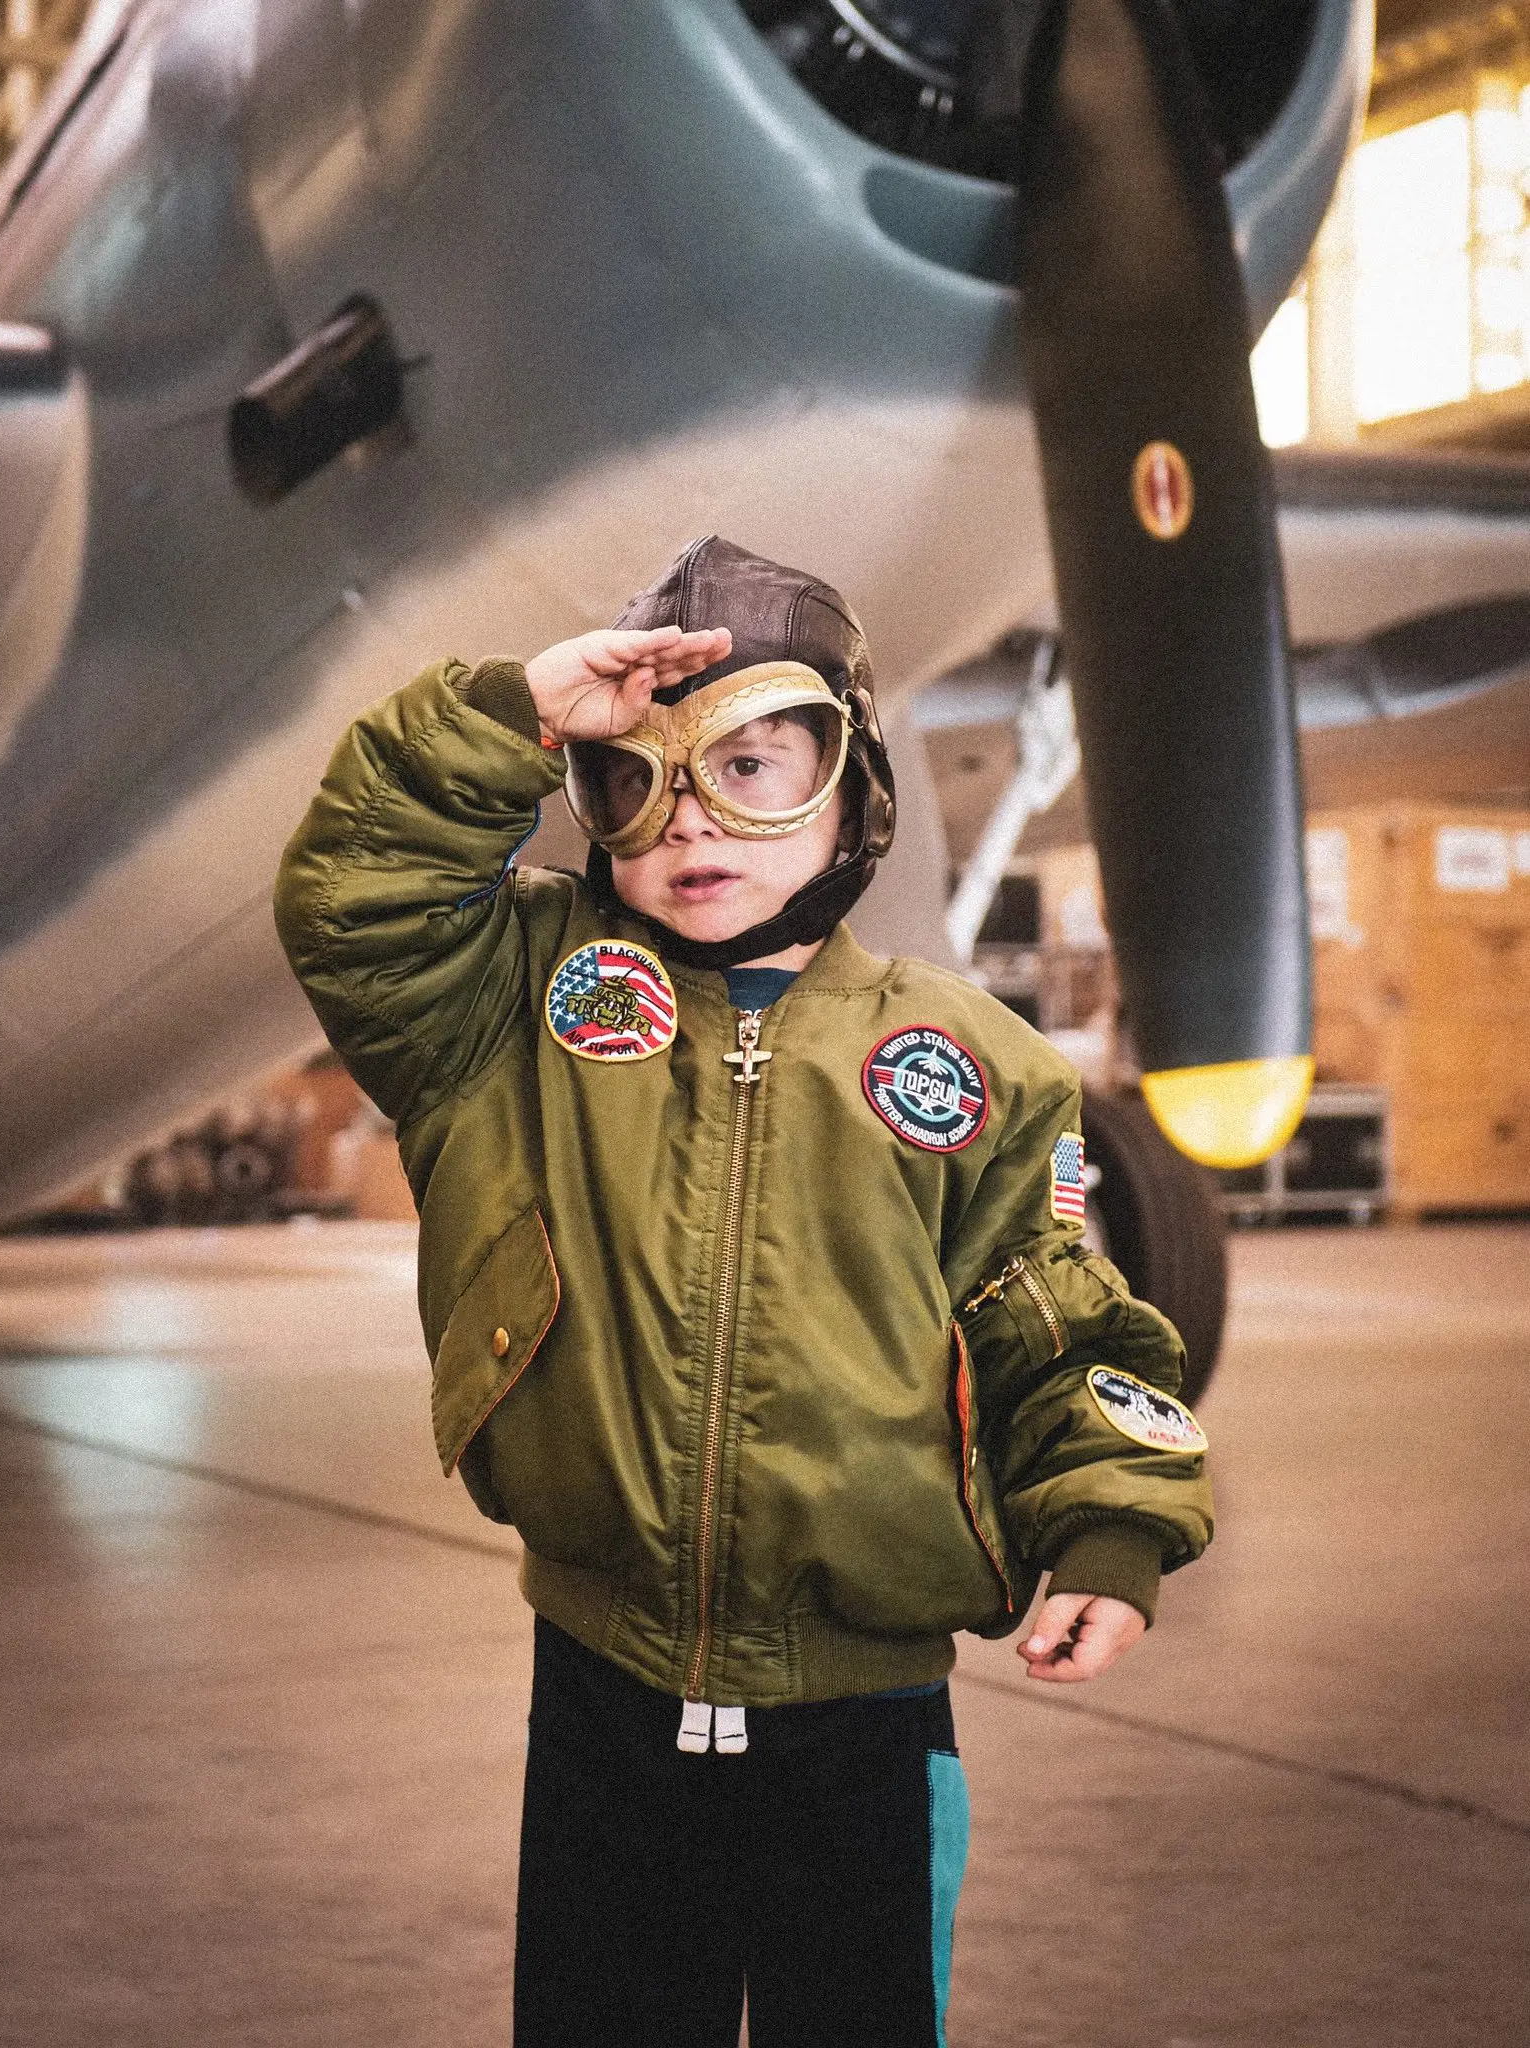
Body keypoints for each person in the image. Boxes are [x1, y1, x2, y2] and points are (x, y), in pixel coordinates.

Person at [274, 536, 1213, 2048]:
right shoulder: (508, 1008)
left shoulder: (972, 1065)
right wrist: (515, 715)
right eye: (631, 784)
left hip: (866, 1716)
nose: (689, 819)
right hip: (601, 1689)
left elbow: (1058, 1327)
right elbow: (354, 898)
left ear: (853, 789)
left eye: (757, 765)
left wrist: (1110, 1536)